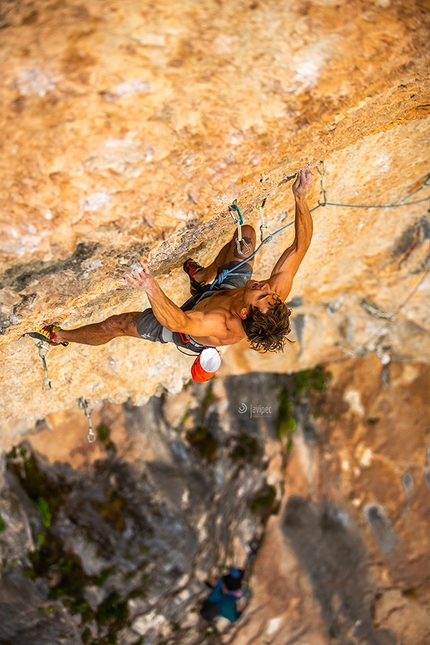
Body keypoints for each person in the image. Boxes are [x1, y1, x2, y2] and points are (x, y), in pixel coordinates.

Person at [29, 168, 314, 355]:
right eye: (271, 293)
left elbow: (178, 321)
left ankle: (58, 335)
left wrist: (150, 286)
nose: (265, 286)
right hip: (222, 294)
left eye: (262, 294)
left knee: (116, 324)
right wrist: (300, 197)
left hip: (187, 328)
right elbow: (300, 247)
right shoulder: (271, 297)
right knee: (247, 237)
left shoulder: (219, 325)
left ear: (243, 313)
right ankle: (202, 278)